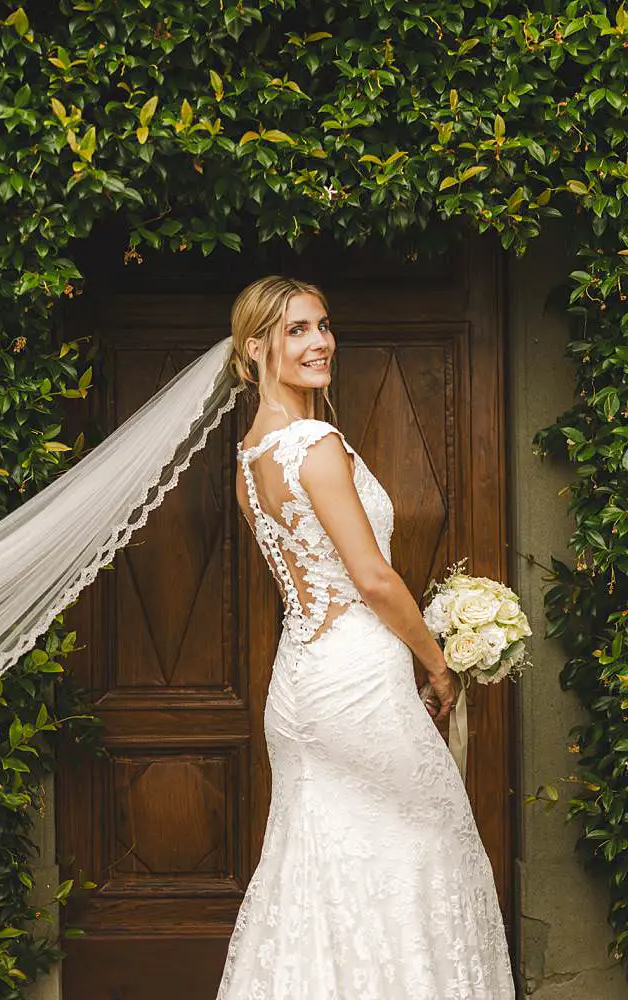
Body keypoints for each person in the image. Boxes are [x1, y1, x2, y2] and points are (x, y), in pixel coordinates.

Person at [218, 276, 515, 998]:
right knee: (424, 852)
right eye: (296, 331)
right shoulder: (315, 445)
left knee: (319, 868)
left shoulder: (249, 457)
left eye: (322, 326)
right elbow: (374, 581)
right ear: (256, 348)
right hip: (357, 683)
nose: (320, 342)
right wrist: (438, 664)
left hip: (299, 687)